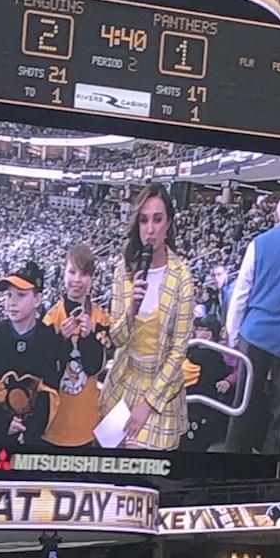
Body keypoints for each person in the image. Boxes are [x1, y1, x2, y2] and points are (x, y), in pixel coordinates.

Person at [100, 184, 194, 451]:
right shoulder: (123, 270)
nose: (150, 229)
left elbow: (178, 351)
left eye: (157, 219)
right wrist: (132, 308)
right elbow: (116, 339)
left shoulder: (182, 277)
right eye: (143, 220)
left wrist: (148, 403)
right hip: (124, 379)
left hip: (161, 388)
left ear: (169, 224)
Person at [225, 191, 280, 454]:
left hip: (254, 334)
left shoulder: (259, 243)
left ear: (277, 214)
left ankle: (234, 456)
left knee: (244, 402)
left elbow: (240, 295)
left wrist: (234, 338)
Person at [0, 262, 68, 443]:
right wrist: (3, 422)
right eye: (8, 295)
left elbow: (51, 393)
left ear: (37, 300)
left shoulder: (49, 340)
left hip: (33, 440)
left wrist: (29, 428)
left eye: (21, 295)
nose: (11, 302)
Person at [43, 244, 111, 447]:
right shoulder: (50, 319)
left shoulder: (101, 318)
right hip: (51, 425)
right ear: (63, 274)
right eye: (72, 272)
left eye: (84, 274)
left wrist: (89, 337)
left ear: (91, 278)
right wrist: (60, 341)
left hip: (85, 425)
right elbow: (45, 369)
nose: (77, 280)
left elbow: (94, 368)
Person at [181, 315, 232, 451]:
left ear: (209, 334)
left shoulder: (205, 357)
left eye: (200, 329)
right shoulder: (206, 353)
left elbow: (179, 379)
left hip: (198, 416)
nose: (196, 331)